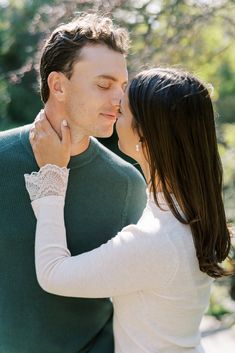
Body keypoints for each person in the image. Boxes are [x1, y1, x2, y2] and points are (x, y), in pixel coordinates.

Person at [25, 67, 232, 353]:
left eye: (122, 110)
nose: (113, 109)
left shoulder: (156, 239)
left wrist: (51, 174)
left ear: (145, 135)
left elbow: (52, 274)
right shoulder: (189, 213)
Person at [0, 14, 147, 353]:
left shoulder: (126, 184)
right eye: (103, 84)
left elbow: (135, 298)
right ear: (58, 85)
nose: (118, 100)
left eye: (122, 87)